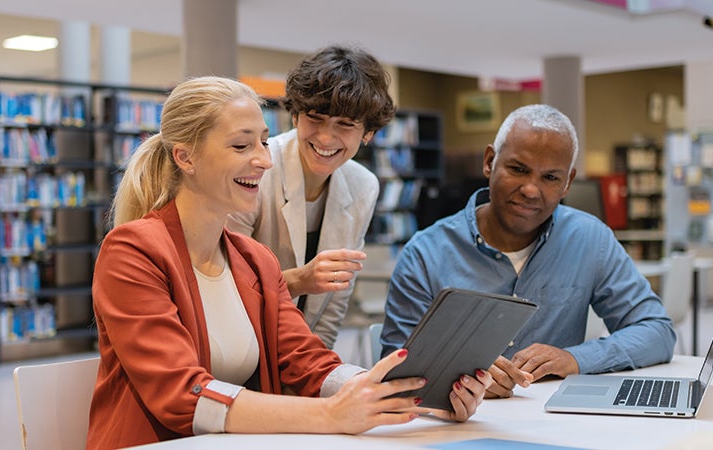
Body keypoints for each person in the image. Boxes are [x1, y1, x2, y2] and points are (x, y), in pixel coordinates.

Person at [87, 76, 491, 448]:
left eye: (264, 142)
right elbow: (180, 394)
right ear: (185, 158)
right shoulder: (132, 252)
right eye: (241, 146)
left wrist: (410, 393)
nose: (264, 160)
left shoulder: (254, 260)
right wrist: (330, 415)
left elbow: (307, 362)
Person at [380, 104, 676, 399]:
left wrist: (575, 359)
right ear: (489, 162)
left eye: (550, 178)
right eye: (518, 169)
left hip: (555, 426)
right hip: (454, 430)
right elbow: (395, 370)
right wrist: (461, 378)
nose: (531, 190)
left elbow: (656, 331)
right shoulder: (425, 253)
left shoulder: (590, 239)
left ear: (568, 183)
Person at [228, 45, 394, 348]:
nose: (326, 138)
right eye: (315, 118)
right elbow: (227, 283)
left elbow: (334, 303)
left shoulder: (363, 185)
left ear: (368, 133)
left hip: (300, 353)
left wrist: (314, 376)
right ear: (295, 116)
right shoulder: (257, 169)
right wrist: (300, 280)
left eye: (345, 124)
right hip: (239, 347)